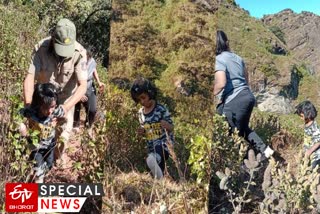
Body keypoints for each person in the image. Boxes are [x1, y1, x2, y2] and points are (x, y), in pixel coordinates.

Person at [23, 18, 87, 166]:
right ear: (53, 38)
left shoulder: (79, 53)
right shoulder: (40, 48)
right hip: (43, 100)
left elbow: (82, 85)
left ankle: (58, 156)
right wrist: (28, 105)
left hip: (66, 100)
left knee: (63, 134)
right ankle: (37, 161)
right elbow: (29, 77)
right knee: (37, 130)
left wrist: (66, 108)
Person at [214, 30, 274, 158]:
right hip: (247, 96)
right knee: (244, 129)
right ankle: (268, 153)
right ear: (226, 42)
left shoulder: (218, 59)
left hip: (236, 99)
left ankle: (236, 163)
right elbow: (246, 79)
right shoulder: (238, 58)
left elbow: (221, 83)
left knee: (227, 131)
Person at [130, 78, 174, 179]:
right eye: (139, 99)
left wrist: (167, 125)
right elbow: (146, 130)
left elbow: (172, 127)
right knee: (157, 169)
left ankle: (158, 174)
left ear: (150, 93)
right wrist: (142, 131)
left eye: (143, 97)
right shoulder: (141, 113)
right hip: (151, 147)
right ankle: (161, 185)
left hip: (164, 145)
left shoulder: (161, 109)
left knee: (153, 158)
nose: (142, 101)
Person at [19, 83, 58, 183]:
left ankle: (38, 171)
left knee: (49, 165)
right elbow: (18, 115)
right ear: (38, 104)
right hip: (36, 148)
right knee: (39, 171)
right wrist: (22, 128)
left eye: (53, 107)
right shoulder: (31, 112)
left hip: (50, 145)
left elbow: (64, 115)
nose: (50, 111)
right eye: (46, 108)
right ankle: (38, 185)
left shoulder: (55, 112)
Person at [73, 49, 105, 132]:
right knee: (76, 105)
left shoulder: (92, 61)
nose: (86, 60)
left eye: (88, 58)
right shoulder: (76, 62)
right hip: (77, 86)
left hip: (89, 86)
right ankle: (75, 125)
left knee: (92, 109)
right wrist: (79, 93)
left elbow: (94, 70)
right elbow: (73, 79)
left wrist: (99, 82)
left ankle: (88, 126)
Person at [295, 100, 320, 169]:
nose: (300, 118)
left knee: (312, 169)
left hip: (315, 156)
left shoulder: (314, 127)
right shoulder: (307, 124)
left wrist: (309, 151)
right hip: (308, 152)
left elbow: (318, 141)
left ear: (308, 115)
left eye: (301, 116)